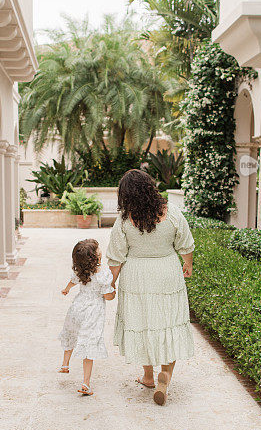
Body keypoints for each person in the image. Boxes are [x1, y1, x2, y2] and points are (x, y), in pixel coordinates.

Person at [107, 169, 194, 405]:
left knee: (143, 322)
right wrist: (188, 265)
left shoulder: (125, 220)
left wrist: (110, 284)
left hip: (136, 276)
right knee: (169, 322)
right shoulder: (173, 212)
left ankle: (148, 376)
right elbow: (185, 244)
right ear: (150, 187)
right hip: (166, 272)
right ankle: (165, 374)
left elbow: (116, 257)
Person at [59, 239, 115, 396]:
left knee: (71, 332)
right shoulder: (102, 274)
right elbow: (107, 296)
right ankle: (86, 383)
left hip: (77, 307)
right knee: (89, 343)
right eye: (98, 250)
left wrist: (66, 289)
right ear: (95, 257)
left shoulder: (80, 271)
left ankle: (65, 364)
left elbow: (72, 281)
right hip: (93, 311)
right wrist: (113, 293)